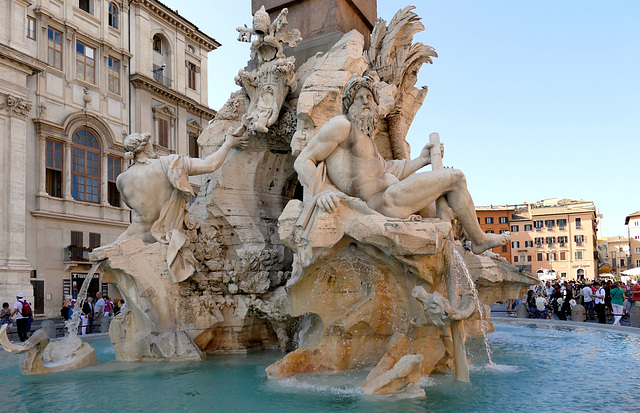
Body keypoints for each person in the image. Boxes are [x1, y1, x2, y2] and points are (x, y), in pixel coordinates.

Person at [293, 76, 510, 256]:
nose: (365, 101)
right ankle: (479, 240)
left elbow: (388, 170)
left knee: (445, 213)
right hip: (383, 202)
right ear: (349, 105)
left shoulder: (366, 137)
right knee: (456, 178)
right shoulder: (341, 126)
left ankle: (467, 244)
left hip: (392, 195)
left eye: (369, 97)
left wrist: (422, 160)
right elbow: (303, 160)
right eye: (359, 98)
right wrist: (321, 192)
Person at [114, 129, 246, 282]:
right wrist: (229, 143)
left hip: (132, 239)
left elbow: (131, 204)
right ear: (146, 147)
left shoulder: (121, 179)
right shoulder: (171, 164)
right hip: (165, 237)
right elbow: (210, 165)